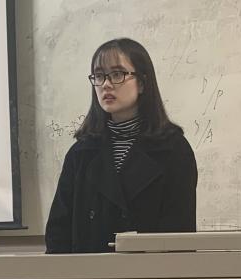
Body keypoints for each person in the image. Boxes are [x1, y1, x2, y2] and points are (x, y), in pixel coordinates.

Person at [45, 38, 197, 253]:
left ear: (142, 83)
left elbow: (180, 234)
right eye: (99, 76)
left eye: (117, 74)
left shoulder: (173, 149)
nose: (106, 84)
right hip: (88, 271)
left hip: (151, 270)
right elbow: (58, 233)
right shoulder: (81, 152)